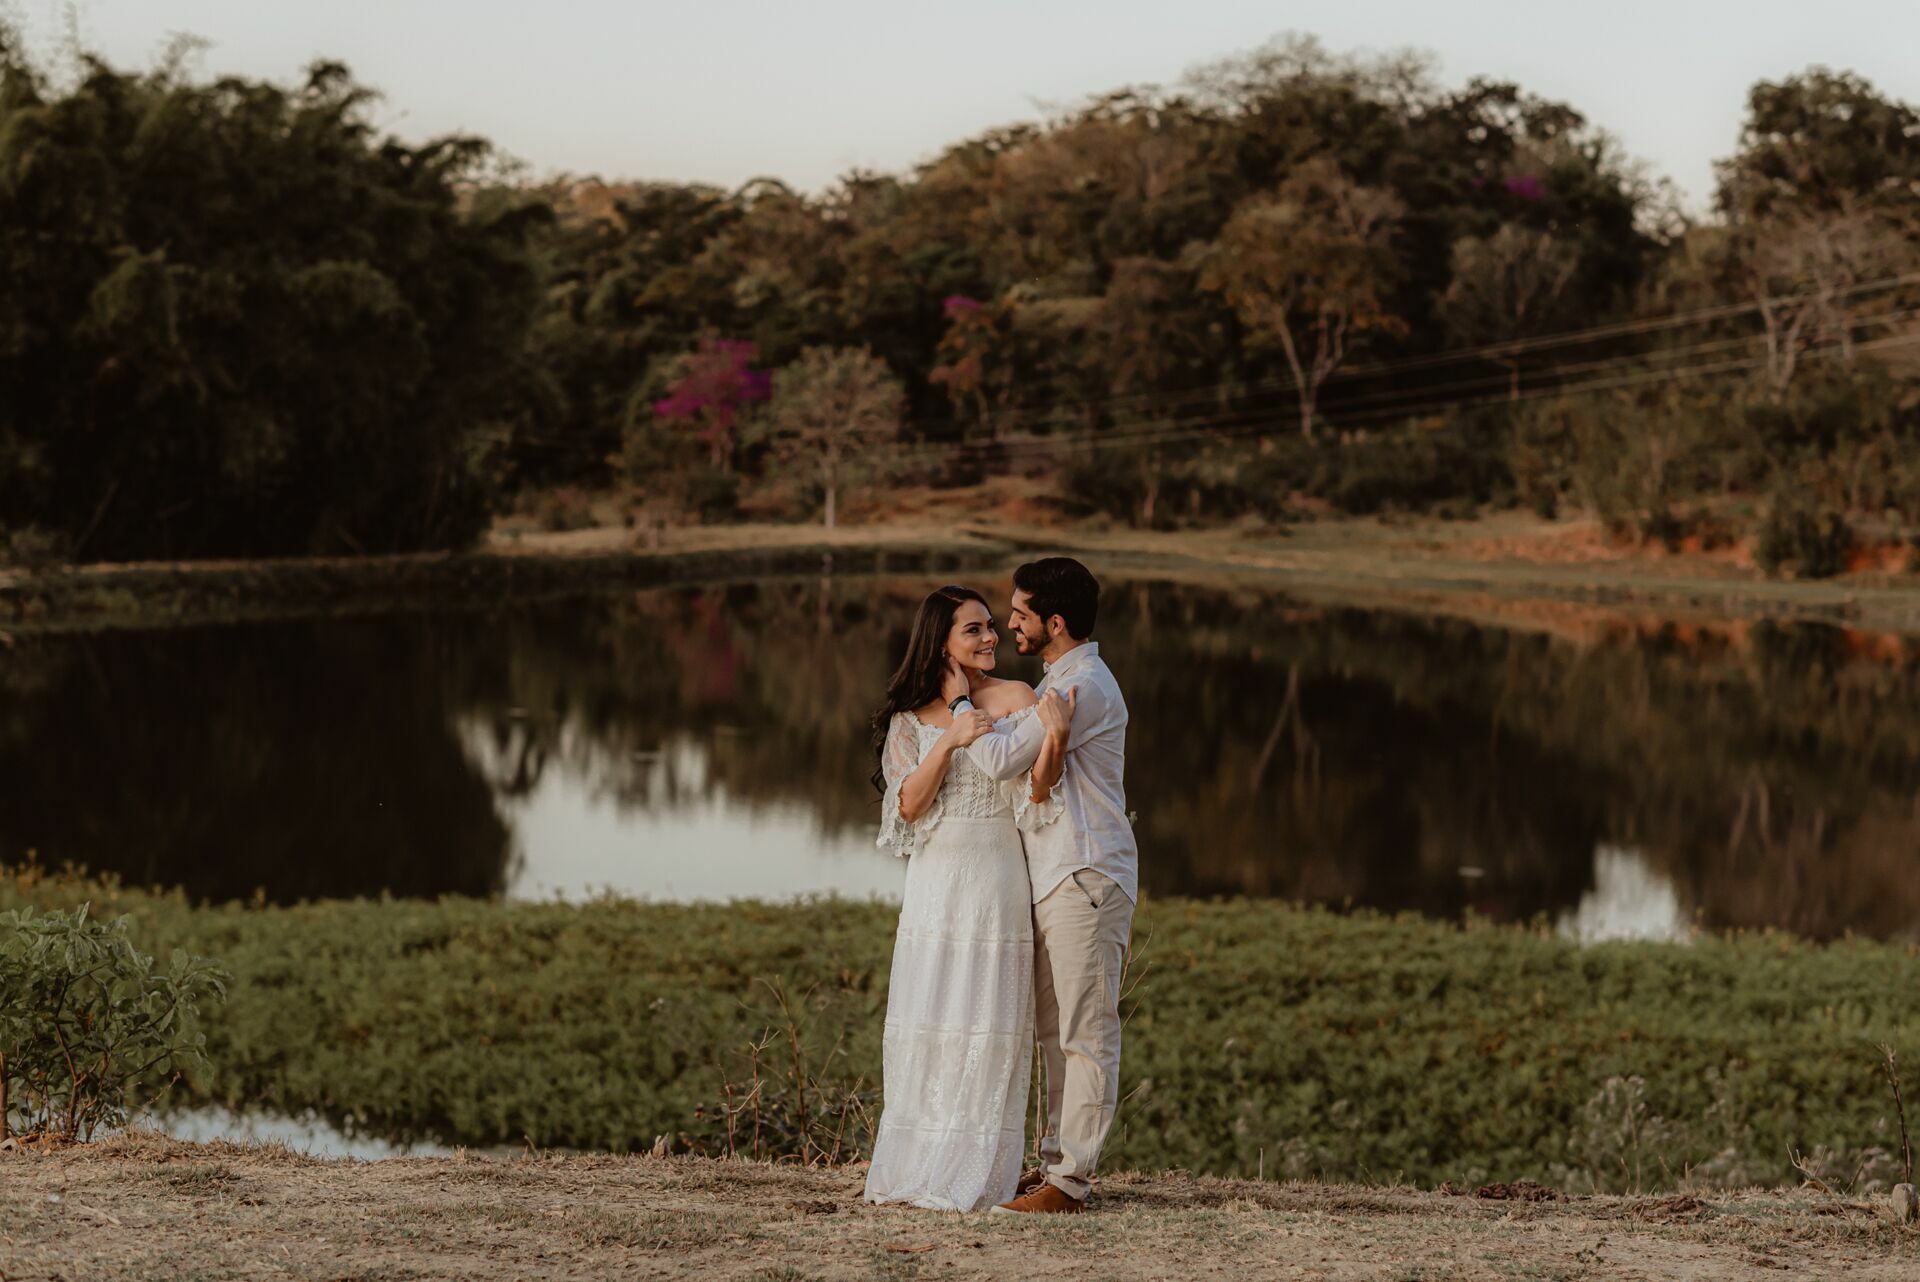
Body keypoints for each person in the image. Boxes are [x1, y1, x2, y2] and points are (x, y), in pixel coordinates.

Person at [862, 584, 1075, 1212]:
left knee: (988, 1019)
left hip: (996, 877)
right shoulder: (909, 719)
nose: (990, 638)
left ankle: (979, 1169)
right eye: (973, 629)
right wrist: (952, 737)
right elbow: (907, 806)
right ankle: (917, 1161)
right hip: (935, 882)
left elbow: (1037, 791)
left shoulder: (1017, 698)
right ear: (941, 643)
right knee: (931, 1016)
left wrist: (1055, 740)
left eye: (990, 626)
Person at [946, 558, 1135, 1216]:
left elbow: (1002, 761)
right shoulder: (1059, 681)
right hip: (1060, 874)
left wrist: (960, 702)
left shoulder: (1081, 686)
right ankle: (1057, 1165)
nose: (1009, 624)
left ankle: (1071, 1181)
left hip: (1085, 873)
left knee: (1086, 1032)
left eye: (1021, 613)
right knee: (1056, 1033)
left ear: (1054, 623)